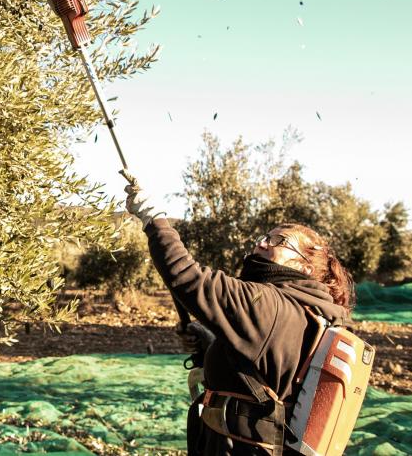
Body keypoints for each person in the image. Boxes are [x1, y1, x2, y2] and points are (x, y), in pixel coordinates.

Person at [122, 175, 355, 456]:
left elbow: (188, 277)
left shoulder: (270, 303)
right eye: (264, 237)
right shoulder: (310, 313)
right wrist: (211, 344)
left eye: (278, 241)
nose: (263, 243)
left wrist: (153, 218)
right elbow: (268, 370)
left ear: (305, 267)